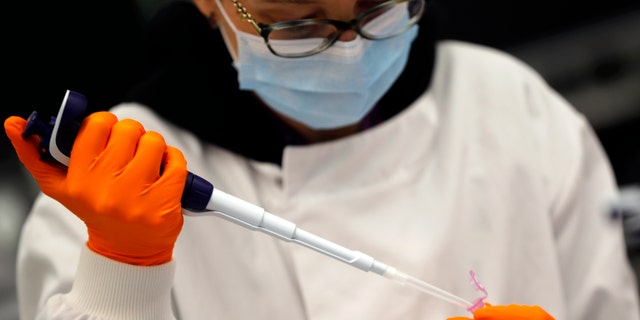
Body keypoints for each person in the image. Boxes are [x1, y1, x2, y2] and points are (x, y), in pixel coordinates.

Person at [4, 0, 640, 319]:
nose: (347, 52)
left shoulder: (511, 106)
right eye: (299, 27)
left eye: (377, 11)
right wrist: (121, 276)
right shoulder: (118, 183)